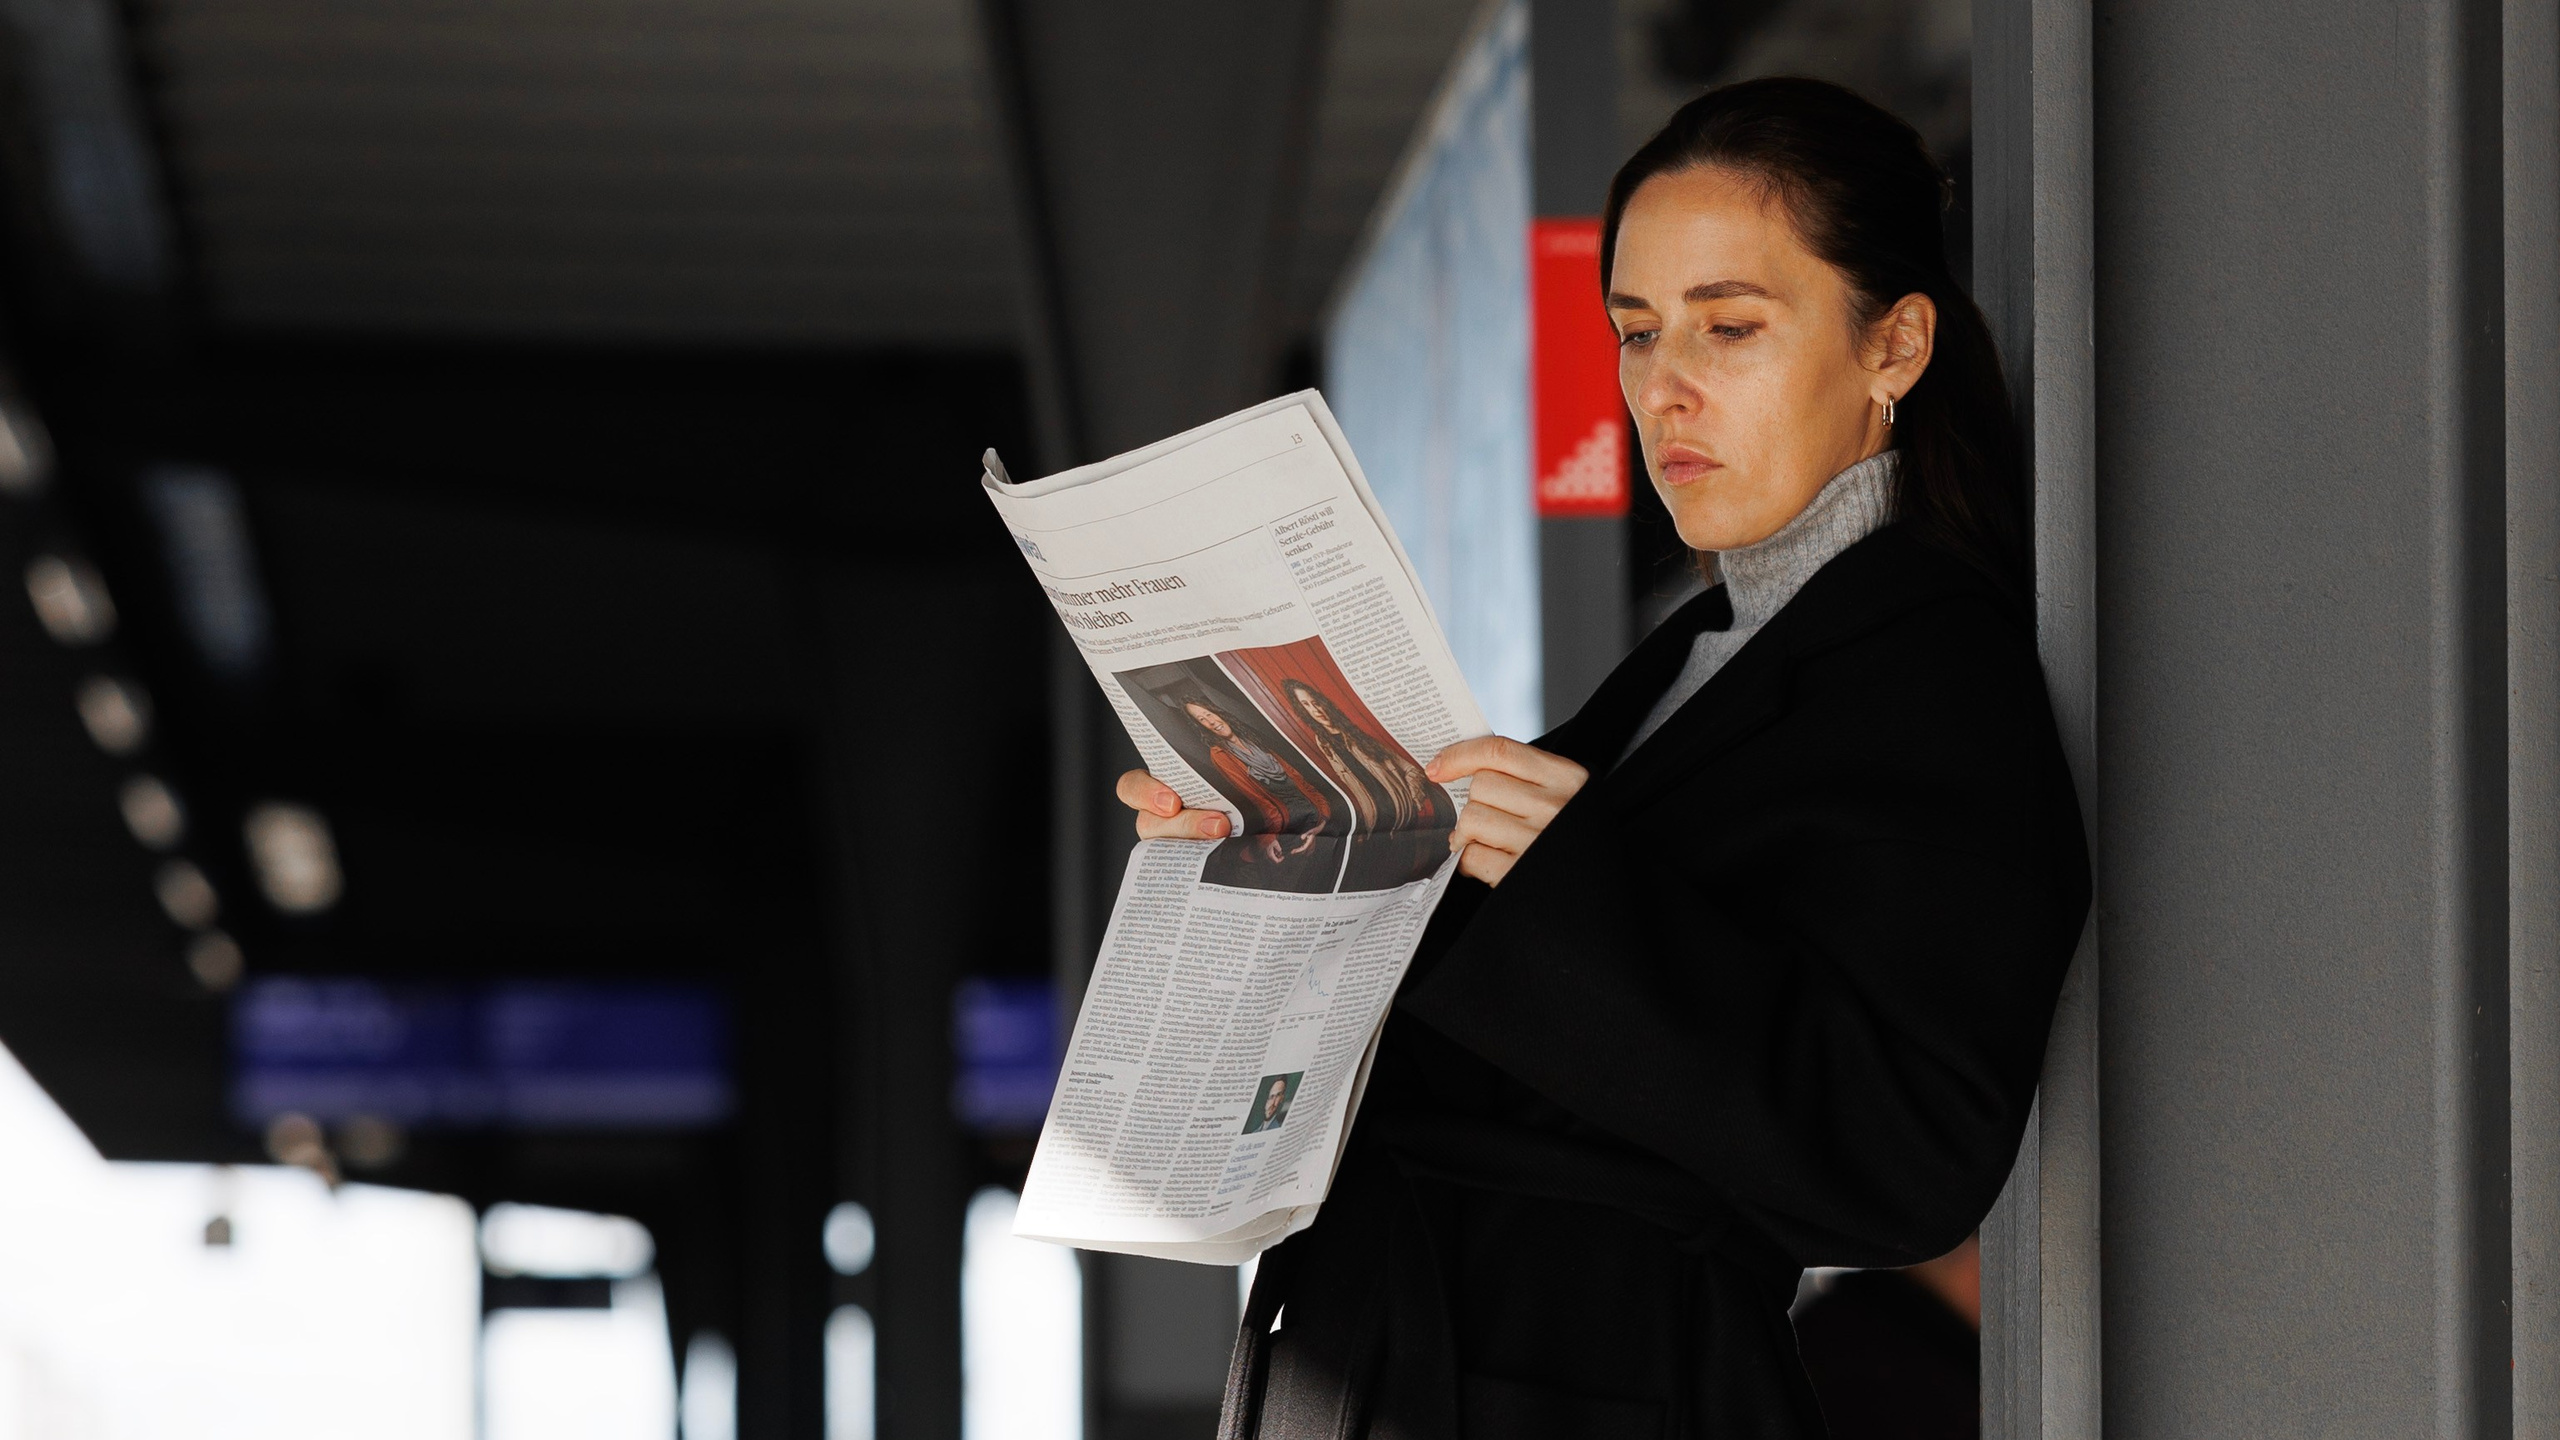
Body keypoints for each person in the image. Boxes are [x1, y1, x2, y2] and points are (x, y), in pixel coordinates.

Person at [1118, 77, 2088, 1438]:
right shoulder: (1700, 659)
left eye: (1730, 327)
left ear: (1896, 345)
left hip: (1578, 1381)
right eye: (1634, 332)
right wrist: (1280, 837)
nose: (1664, 386)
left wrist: (1566, 889)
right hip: (1421, 1354)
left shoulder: (1932, 674)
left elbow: (1905, 1160)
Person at [1177, 695, 1330, 864]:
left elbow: (1301, 782)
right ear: (1201, 727)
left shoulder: (1250, 738)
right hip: (1288, 827)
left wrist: (1322, 819)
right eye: (1202, 719)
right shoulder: (1220, 755)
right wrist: (1268, 839)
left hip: (1315, 816)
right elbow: (1258, 802)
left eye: (1209, 714)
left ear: (1217, 712)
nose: (1211, 721)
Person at [1281, 678, 1446, 833]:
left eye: (1315, 703)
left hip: (1402, 815)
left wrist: (1414, 799)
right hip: (1372, 822)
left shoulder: (1358, 731)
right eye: (1306, 705)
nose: (1315, 710)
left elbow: (1411, 769)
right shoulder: (1322, 741)